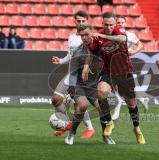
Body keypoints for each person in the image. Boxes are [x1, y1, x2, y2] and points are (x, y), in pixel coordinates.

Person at [83, 12, 145, 144]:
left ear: (115, 24)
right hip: (108, 71)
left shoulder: (119, 30)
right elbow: (91, 52)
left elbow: (122, 39)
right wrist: (86, 65)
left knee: (131, 104)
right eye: (106, 25)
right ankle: (109, 121)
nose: (109, 27)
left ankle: (137, 129)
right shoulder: (98, 37)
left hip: (124, 72)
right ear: (102, 23)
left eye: (111, 25)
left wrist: (102, 35)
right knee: (101, 92)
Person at [64, 25, 116, 145]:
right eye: (81, 35)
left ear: (92, 34)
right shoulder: (78, 51)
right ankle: (72, 133)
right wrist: (71, 88)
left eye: (86, 34)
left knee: (103, 107)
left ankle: (105, 136)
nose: (84, 37)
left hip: (94, 86)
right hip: (79, 86)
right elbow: (72, 73)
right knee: (83, 105)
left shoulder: (102, 48)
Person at [51, 11, 95, 139]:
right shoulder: (71, 37)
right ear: (74, 21)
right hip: (71, 74)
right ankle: (69, 122)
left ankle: (90, 128)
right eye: (78, 21)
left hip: (82, 76)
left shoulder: (90, 37)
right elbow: (71, 55)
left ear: (87, 21)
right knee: (55, 99)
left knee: (80, 103)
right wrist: (60, 60)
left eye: (83, 21)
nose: (81, 23)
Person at [111, 16, 148, 121]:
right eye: (118, 22)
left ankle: (117, 110)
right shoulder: (111, 35)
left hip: (124, 65)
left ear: (125, 24)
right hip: (112, 65)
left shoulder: (130, 35)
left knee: (123, 91)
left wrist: (133, 52)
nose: (120, 24)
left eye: (122, 22)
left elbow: (140, 45)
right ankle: (141, 99)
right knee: (117, 89)